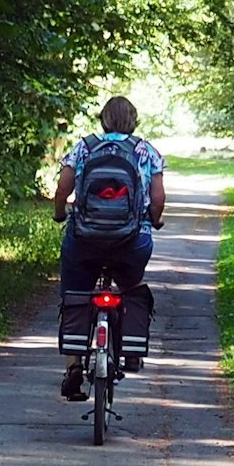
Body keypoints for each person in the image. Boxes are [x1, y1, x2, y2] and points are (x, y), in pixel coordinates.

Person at [53, 95, 166, 401]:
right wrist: (153, 221)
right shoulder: (147, 151)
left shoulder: (85, 147)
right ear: (134, 120)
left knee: (75, 293)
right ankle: (130, 347)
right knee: (132, 286)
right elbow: (157, 199)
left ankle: (74, 366)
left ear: (103, 119)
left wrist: (60, 212)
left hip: (84, 240)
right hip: (132, 241)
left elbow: (63, 188)